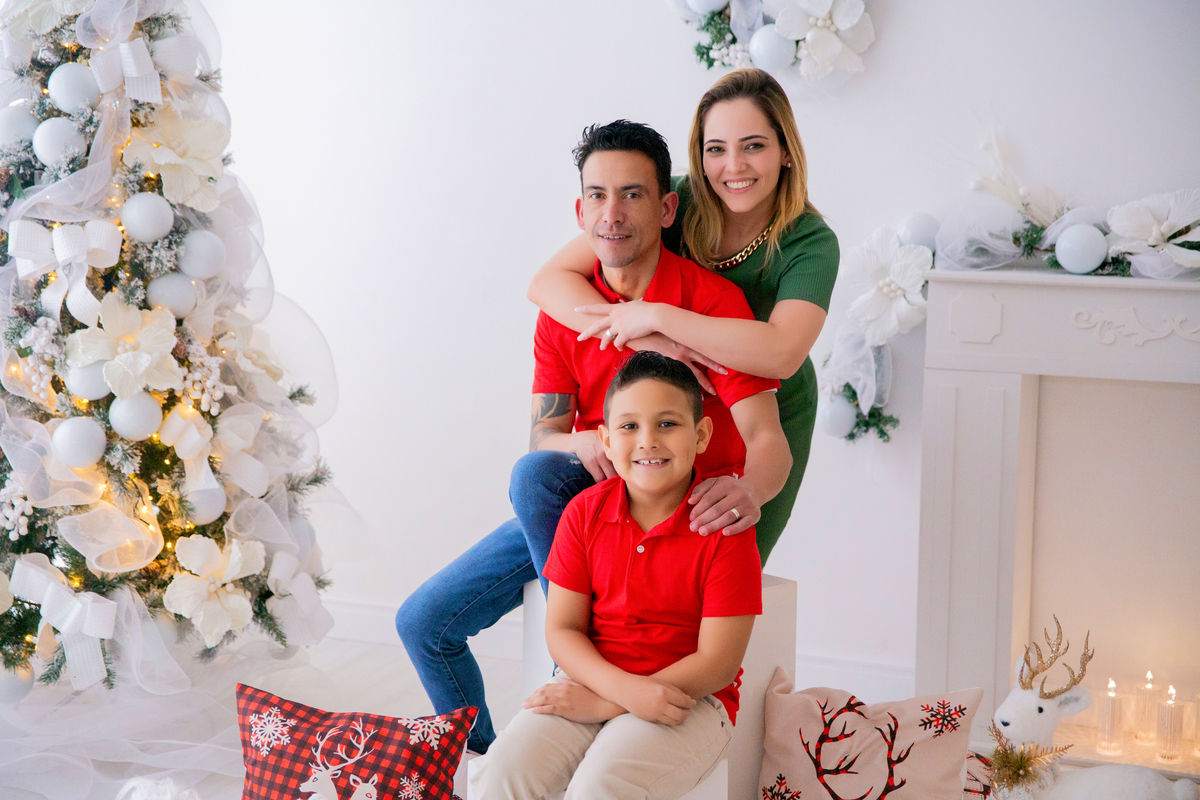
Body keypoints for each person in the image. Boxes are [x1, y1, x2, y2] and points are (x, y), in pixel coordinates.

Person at [396, 119, 791, 755]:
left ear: (666, 209)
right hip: (592, 512)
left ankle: (579, 668)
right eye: (598, 196)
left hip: (677, 514)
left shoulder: (710, 305)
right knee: (423, 622)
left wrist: (751, 490)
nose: (613, 213)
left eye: (633, 194)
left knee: (533, 480)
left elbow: (767, 438)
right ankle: (489, 769)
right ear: (580, 212)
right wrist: (578, 444)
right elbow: (543, 439)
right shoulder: (566, 310)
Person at [527, 68, 839, 565]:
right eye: (716, 149)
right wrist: (641, 337)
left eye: (754, 146)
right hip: (672, 407)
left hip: (766, 402)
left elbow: (781, 353)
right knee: (541, 491)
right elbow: (546, 283)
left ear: (786, 151)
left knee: (723, 558)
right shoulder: (671, 199)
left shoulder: (810, 242)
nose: (733, 166)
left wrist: (657, 317)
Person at [470, 351, 761, 800]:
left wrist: (608, 703)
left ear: (701, 434)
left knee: (601, 786)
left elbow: (718, 662)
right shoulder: (583, 513)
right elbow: (563, 629)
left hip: (691, 699)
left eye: (667, 424)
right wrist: (619, 692)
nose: (648, 441)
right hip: (592, 680)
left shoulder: (723, 528)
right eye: (629, 427)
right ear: (605, 440)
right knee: (502, 771)